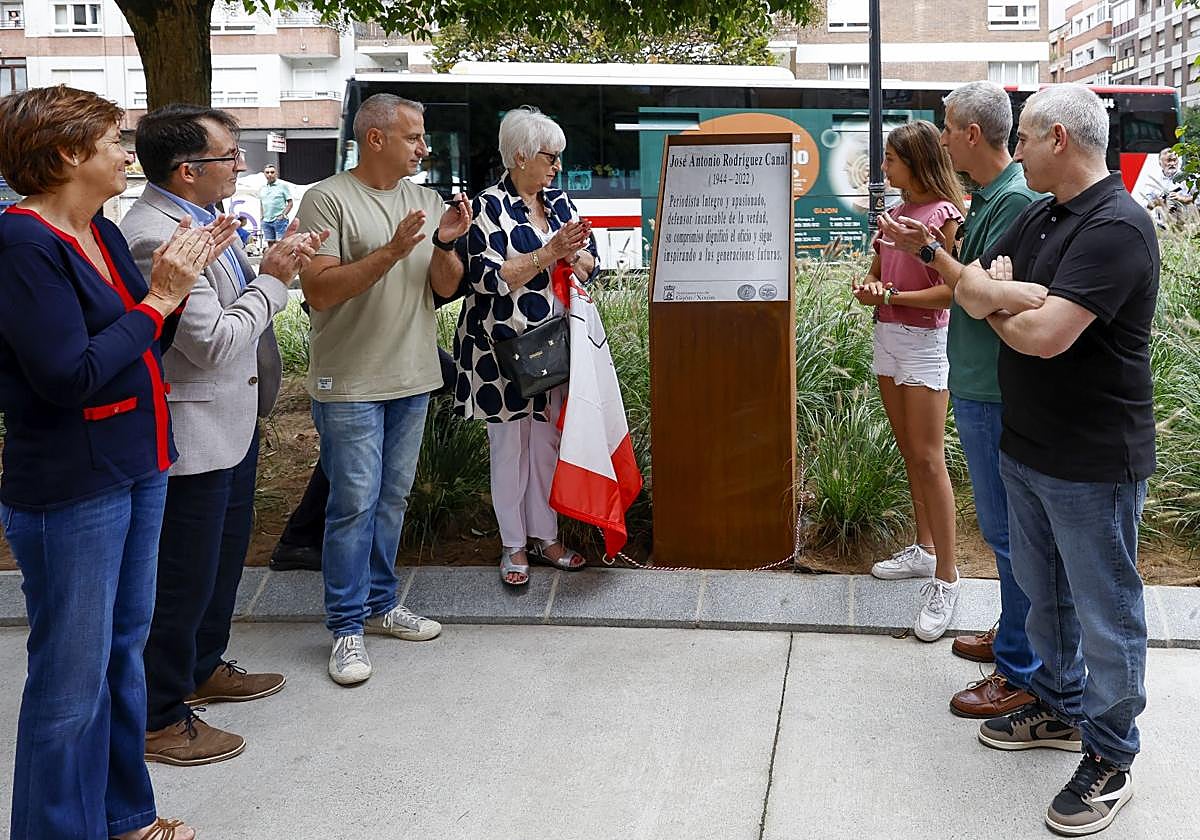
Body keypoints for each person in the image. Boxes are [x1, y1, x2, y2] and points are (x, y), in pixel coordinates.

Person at [0, 85, 223, 840]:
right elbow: (71, 375)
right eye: (112, 143)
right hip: (73, 486)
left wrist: (175, 290)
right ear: (68, 154)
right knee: (71, 681)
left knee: (122, 657)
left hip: (136, 463)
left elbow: (143, 344)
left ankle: (124, 817)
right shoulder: (23, 245)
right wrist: (160, 300)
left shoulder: (95, 229)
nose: (126, 155)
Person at [954, 83, 1157, 836]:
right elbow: (970, 288)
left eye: (1025, 139)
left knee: (1106, 615)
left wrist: (1001, 302)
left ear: (1059, 139)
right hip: (1028, 447)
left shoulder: (1118, 228)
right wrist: (1009, 297)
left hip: (1093, 462)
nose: (1017, 151)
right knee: (1046, 601)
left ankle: (1111, 755)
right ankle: (1062, 707)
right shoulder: (1041, 213)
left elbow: (1045, 338)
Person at [121, 104, 325, 765]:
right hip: (194, 431)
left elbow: (235, 298)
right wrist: (275, 281)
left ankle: (201, 668)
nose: (241, 165)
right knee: (182, 576)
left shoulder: (206, 217)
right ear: (187, 170)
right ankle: (158, 717)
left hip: (230, 423)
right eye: (229, 155)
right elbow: (210, 343)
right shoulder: (155, 234)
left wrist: (272, 263)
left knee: (217, 564)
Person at [876, 81, 1042, 718]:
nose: (941, 139)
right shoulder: (992, 198)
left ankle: (1019, 666)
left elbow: (973, 294)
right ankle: (1013, 638)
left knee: (1007, 532)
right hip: (973, 377)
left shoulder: (1010, 201)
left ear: (971, 134)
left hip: (989, 383)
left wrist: (923, 255)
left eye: (947, 128)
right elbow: (975, 286)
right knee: (1002, 530)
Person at [296, 93, 469, 685]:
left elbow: (443, 289)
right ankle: (346, 628)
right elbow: (319, 291)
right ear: (376, 139)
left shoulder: (427, 200)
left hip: (412, 376)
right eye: (413, 137)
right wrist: (393, 251)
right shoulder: (325, 199)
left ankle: (380, 603)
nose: (423, 148)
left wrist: (443, 244)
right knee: (353, 505)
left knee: (391, 499)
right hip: (348, 381)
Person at [452, 106, 599, 586]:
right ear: (520, 155)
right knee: (509, 447)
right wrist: (549, 252)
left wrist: (577, 259)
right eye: (550, 156)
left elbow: (589, 262)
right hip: (502, 351)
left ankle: (546, 535)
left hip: (555, 344)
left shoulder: (557, 201)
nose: (557, 166)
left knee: (547, 442)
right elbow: (487, 278)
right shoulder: (488, 206)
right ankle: (513, 543)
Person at [853, 120, 964, 641]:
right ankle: (924, 550)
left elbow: (951, 292)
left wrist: (892, 296)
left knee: (929, 458)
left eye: (891, 159)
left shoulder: (943, 216)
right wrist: (871, 289)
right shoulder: (894, 215)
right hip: (888, 337)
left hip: (925, 343)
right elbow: (878, 273)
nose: (883, 167)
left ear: (916, 162)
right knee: (909, 452)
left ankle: (948, 577)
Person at [259, 164, 292, 242]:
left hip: (279, 220)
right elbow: (261, 203)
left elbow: (290, 203)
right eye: (267, 172)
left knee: (281, 243)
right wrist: (262, 217)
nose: (270, 174)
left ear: (276, 173)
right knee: (270, 242)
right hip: (266, 220)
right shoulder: (263, 188)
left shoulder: (283, 186)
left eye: (272, 172)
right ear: (264, 174)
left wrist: (283, 215)